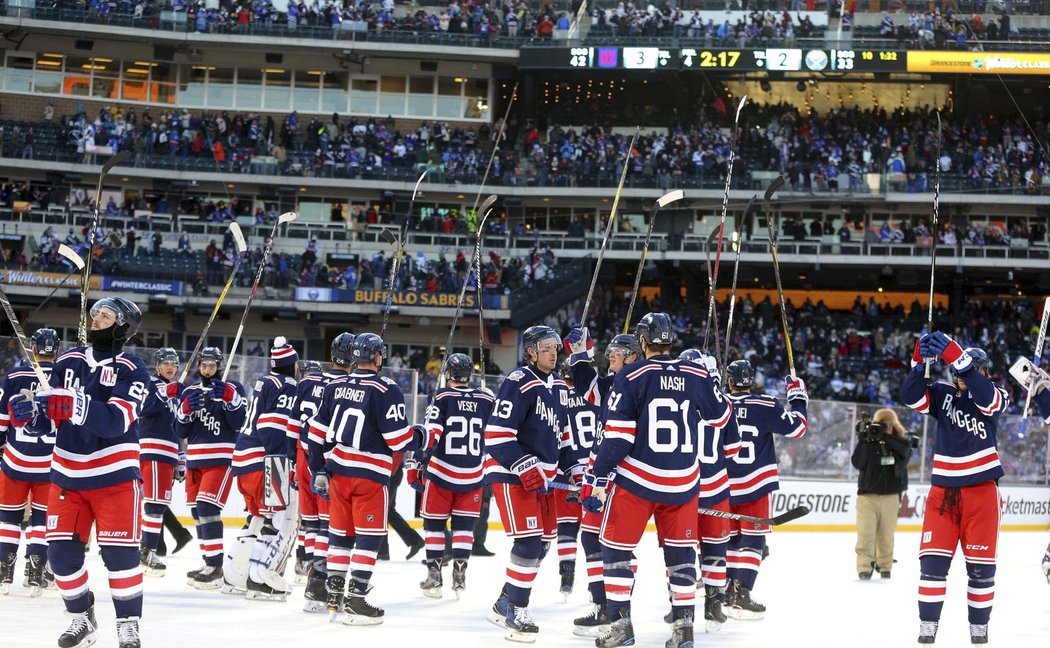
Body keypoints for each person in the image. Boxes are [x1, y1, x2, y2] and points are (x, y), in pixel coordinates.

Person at [580, 313, 734, 648]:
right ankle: (684, 629)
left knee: (615, 549)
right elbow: (721, 417)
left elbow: (618, 439)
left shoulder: (633, 374)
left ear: (643, 342)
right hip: (683, 484)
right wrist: (713, 383)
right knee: (680, 555)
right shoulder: (695, 373)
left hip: (638, 480)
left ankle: (620, 625)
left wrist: (597, 477)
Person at [9, 298, 150, 648]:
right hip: (66, 477)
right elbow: (53, 414)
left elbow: (117, 420)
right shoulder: (68, 360)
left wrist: (79, 405)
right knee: (60, 559)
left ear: (124, 327)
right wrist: (31, 413)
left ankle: (128, 624)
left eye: (106, 315)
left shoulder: (133, 368)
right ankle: (82, 619)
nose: (97, 318)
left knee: (120, 558)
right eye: (96, 313)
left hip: (114, 475)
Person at [902, 333, 1010, 645]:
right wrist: (918, 363)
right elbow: (910, 395)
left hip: (981, 493)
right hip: (943, 493)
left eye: (977, 370)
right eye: (964, 371)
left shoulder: (994, 395)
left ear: (986, 372)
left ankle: (979, 627)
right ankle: (928, 626)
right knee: (932, 565)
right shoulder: (943, 393)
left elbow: (985, 394)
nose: (967, 376)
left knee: (980, 570)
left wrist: (957, 357)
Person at [306, 332, 415, 625]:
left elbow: (314, 434)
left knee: (339, 536)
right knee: (369, 537)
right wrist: (424, 433)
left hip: (338, 472)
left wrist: (318, 468)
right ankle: (356, 601)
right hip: (369, 476)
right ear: (378, 357)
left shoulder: (335, 385)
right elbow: (398, 440)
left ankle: (334, 598)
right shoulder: (386, 388)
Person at [484, 325, 572, 643]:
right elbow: (496, 435)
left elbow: (562, 439)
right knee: (529, 543)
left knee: (543, 545)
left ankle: (505, 601)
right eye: (547, 347)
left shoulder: (558, 387)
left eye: (556, 348)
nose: (554, 353)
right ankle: (516, 613)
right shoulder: (518, 382)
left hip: (544, 480)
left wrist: (573, 470)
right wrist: (523, 465)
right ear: (531, 351)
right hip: (512, 475)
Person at [563, 328, 642, 637]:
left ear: (633, 357)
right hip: (601, 472)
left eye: (616, 353)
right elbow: (588, 386)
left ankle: (618, 610)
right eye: (609, 352)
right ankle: (603, 606)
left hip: (621, 475)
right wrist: (578, 352)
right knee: (591, 539)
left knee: (617, 545)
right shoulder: (614, 382)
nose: (610, 356)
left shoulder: (640, 384)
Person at [723, 359, 809, 621]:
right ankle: (742, 593)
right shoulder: (767, 404)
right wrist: (798, 398)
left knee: (728, 540)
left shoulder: (717, 403)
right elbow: (798, 428)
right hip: (755, 483)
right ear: (752, 381)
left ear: (729, 381)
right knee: (754, 540)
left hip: (721, 485)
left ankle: (724, 591)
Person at [411, 353, 495, 599]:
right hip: (473, 474)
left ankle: (435, 577)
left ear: (448, 372)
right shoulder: (486, 398)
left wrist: (417, 461)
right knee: (464, 528)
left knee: (434, 526)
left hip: (441, 473)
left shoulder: (440, 396)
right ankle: (459, 576)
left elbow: (431, 433)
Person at [228, 337, 300, 601]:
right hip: (265, 460)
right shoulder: (287, 385)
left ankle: (233, 574)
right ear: (291, 364)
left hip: (242, 458)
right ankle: (260, 578)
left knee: (256, 518)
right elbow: (272, 425)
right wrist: (283, 460)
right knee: (276, 520)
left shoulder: (263, 381)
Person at [173, 347, 247, 591]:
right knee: (197, 513)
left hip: (221, 458)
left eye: (212, 366)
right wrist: (184, 410)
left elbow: (239, 423)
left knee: (207, 508)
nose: (207, 370)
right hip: (195, 459)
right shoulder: (191, 391)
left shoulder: (233, 388)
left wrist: (230, 399)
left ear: (220, 366)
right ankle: (208, 563)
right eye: (203, 365)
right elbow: (179, 431)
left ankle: (215, 567)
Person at [678, 348, 741, 633]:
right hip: (715, 488)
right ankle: (714, 607)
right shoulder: (724, 404)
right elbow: (733, 449)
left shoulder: (676, 399)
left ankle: (678, 606)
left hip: (680, 488)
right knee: (715, 547)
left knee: (679, 550)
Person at [0, 328, 59, 596]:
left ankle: (4, 572)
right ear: (56, 349)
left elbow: (2, 420)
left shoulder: (14, 376)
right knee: (42, 520)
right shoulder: (64, 379)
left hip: (16, 460)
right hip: (50, 465)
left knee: (8, 519)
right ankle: (36, 572)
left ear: (32, 348)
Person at [138, 347, 183, 578]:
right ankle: (147, 553)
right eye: (165, 363)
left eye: (174, 364)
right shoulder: (151, 385)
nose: (170, 367)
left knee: (159, 504)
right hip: (153, 451)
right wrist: (164, 394)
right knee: (154, 506)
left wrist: (180, 457)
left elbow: (175, 427)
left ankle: (148, 551)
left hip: (167, 454)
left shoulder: (173, 391)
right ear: (157, 366)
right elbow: (142, 409)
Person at [851, 408, 911, 580]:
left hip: (891, 495)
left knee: (886, 535)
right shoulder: (868, 441)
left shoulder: (900, 442)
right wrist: (863, 440)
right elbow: (857, 463)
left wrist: (886, 437)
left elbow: (905, 454)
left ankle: (885, 567)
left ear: (894, 425)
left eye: (888, 425)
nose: (884, 428)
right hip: (867, 496)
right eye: (881, 425)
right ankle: (864, 568)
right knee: (865, 533)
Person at [290, 356, 330, 612]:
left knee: (309, 519)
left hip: (302, 453)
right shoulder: (334, 384)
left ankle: (303, 559)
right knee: (327, 523)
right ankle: (318, 578)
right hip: (325, 456)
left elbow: (292, 426)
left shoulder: (301, 386)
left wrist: (291, 462)